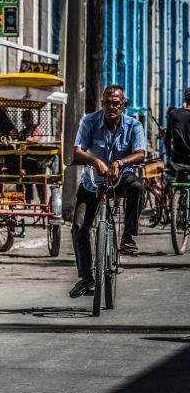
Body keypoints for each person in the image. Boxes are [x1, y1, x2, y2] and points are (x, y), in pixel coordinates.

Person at [69, 85, 146, 298]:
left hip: (120, 178)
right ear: (102, 104)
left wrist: (119, 163)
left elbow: (140, 153)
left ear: (123, 105)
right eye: (107, 103)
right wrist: (96, 162)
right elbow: (77, 150)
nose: (111, 107)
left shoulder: (134, 125)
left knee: (137, 187)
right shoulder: (89, 121)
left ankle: (128, 237)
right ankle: (86, 278)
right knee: (78, 228)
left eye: (116, 103)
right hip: (92, 182)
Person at [164, 87, 190, 178]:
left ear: (185, 99)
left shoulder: (174, 114)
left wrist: (169, 156)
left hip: (177, 162)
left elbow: (167, 139)